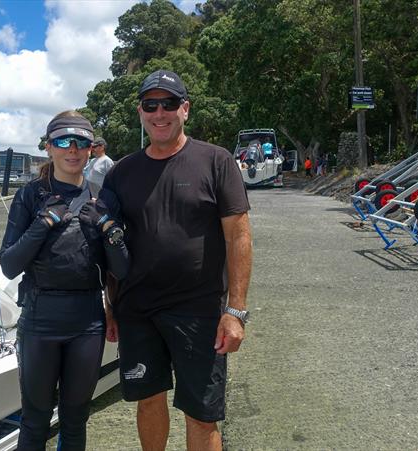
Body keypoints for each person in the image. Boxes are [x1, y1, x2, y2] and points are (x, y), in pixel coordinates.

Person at [102, 70, 253, 451]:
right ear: (141, 112)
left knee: (202, 413)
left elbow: (239, 236)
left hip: (199, 311)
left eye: (169, 103)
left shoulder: (216, 161)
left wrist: (235, 311)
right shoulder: (121, 172)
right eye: (150, 105)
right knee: (148, 400)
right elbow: (107, 242)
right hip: (137, 310)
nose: (160, 112)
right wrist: (109, 304)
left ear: (185, 109)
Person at [0, 110, 129, 450]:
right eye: (62, 142)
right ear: (48, 147)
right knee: (35, 419)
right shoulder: (30, 196)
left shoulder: (105, 198)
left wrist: (110, 230)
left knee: (75, 418)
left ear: (91, 149)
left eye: (81, 142)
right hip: (40, 319)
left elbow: (123, 269)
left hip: (87, 321)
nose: (72, 150)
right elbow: (9, 265)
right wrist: (41, 225)